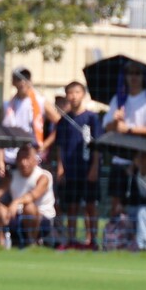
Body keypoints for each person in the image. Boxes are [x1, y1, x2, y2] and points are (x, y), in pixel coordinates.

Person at [102, 60, 146, 217]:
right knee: (116, 204)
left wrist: (129, 129)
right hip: (120, 158)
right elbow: (106, 127)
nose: (133, 77)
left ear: (144, 76)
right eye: (129, 73)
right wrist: (115, 121)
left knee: (140, 203)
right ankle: (117, 231)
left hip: (143, 160)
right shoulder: (118, 99)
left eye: (137, 73)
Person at [0, 144, 55, 248]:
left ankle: (32, 243)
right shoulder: (12, 176)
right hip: (16, 216)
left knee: (29, 207)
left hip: (42, 218)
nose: (23, 163)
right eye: (21, 159)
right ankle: (1, 244)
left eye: (27, 158)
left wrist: (16, 202)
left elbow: (33, 195)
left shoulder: (44, 176)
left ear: (35, 160)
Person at [53, 82, 102, 250]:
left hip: (88, 168)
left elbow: (97, 145)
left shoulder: (92, 118)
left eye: (77, 92)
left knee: (90, 205)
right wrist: (60, 167)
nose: (73, 96)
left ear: (83, 94)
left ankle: (92, 240)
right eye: (70, 93)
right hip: (71, 170)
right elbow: (60, 146)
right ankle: (71, 239)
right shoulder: (64, 121)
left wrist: (95, 167)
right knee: (72, 205)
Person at [0, 67, 60, 177]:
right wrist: (0, 160)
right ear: (13, 82)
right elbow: (1, 134)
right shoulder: (7, 105)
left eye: (25, 78)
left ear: (30, 81)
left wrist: (45, 144)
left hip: (33, 158)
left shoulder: (40, 102)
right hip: (11, 157)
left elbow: (60, 124)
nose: (22, 82)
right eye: (18, 79)